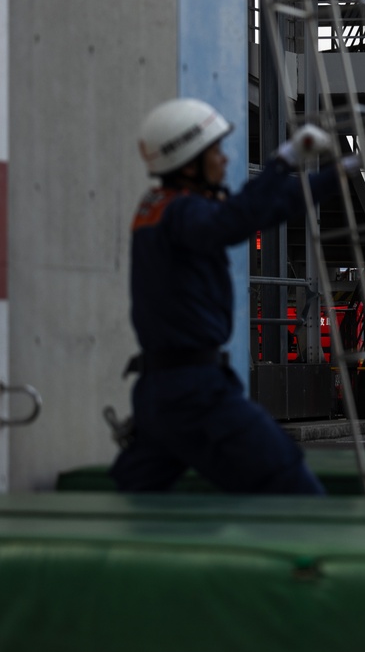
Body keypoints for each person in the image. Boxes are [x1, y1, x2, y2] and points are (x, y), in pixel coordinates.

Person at [111, 97, 345, 495]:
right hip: (197, 391)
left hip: (159, 392)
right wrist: (299, 164)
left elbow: (254, 209)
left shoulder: (160, 209)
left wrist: (312, 169)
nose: (224, 159)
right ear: (187, 164)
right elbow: (240, 218)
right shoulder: (185, 214)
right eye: (215, 151)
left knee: (139, 502)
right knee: (291, 484)